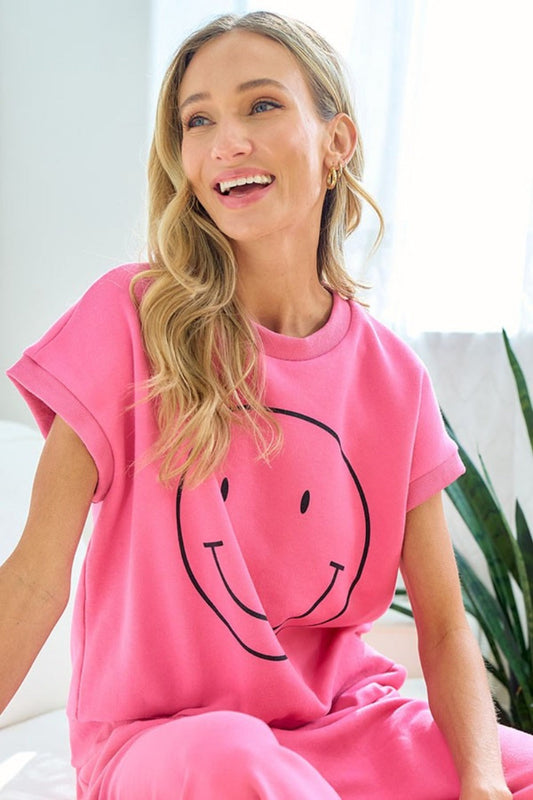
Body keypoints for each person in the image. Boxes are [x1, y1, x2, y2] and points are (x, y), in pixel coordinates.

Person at [2, 10, 532, 800]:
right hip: (167, 747)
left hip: (342, 724)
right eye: (198, 120)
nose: (226, 141)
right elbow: (37, 581)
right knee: (234, 756)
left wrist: (482, 784)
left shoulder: (394, 376)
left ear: (337, 142)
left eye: (260, 105)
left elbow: (446, 624)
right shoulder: (126, 317)